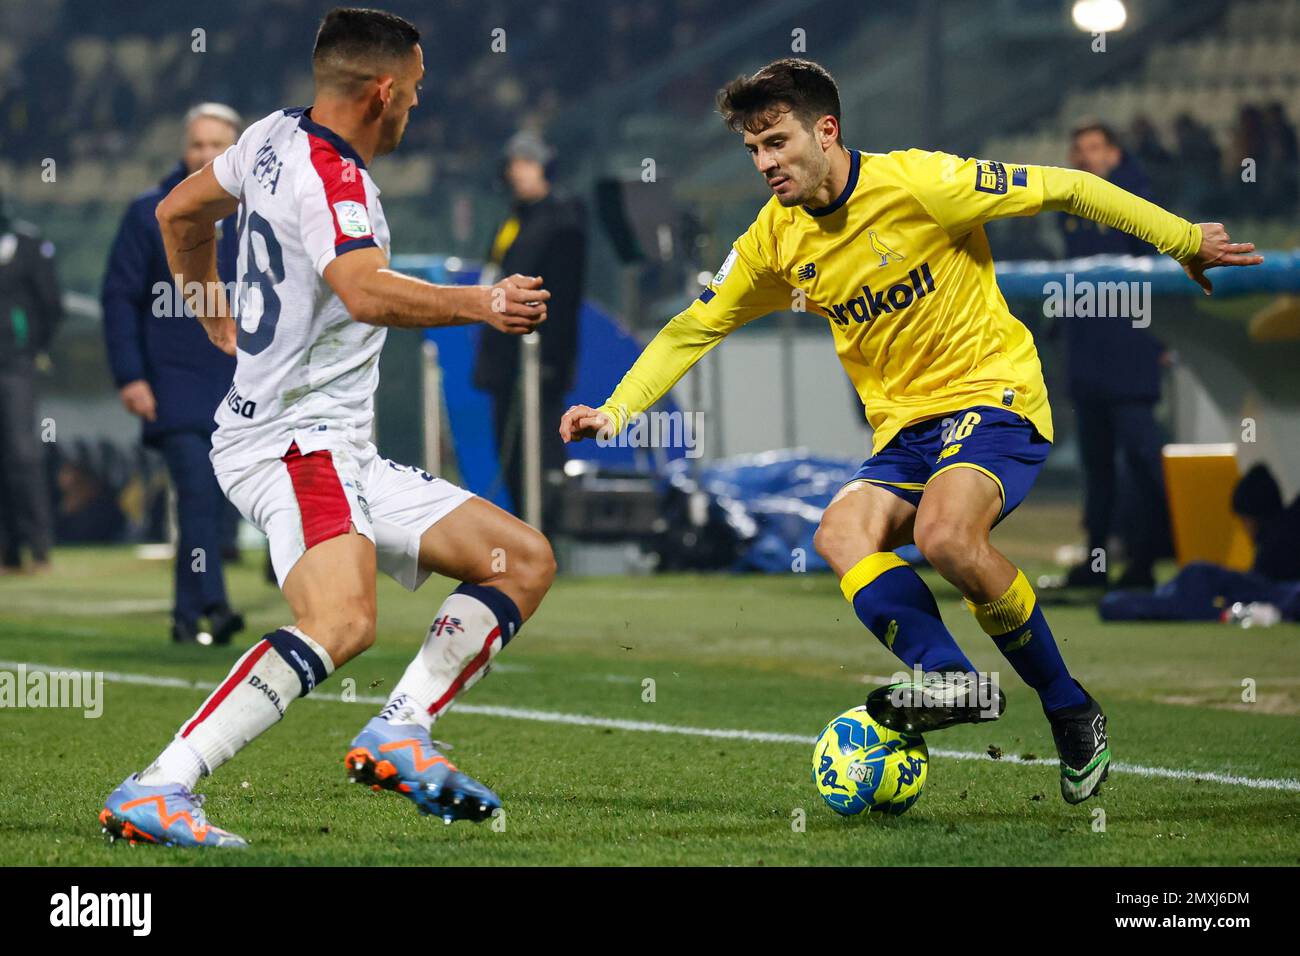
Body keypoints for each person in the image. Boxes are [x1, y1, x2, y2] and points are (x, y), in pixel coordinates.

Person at [561, 58, 1262, 804]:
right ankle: (955, 683)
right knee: (839, 535)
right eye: (753, 150)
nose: (765, 162)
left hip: (993, 397)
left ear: (825, 130)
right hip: (907, 432)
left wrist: (1181, 237)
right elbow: (696, 326)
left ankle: (1069, 707)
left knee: (947, 537)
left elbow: (1069, 186)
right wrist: (617, 410)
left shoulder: (923, 183)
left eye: (776, 141)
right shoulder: (776, 238)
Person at [99, 7, 556, 848]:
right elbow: (365, 290)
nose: (417, 106)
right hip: (292, 443)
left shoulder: (271, 136)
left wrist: (208, 309)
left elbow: (178, 215)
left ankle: (400, 730)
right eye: (415, 91)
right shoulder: (338, 182)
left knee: (519, 559)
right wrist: (483, 302)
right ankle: (161, 785)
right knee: (342, 622)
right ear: (383, 91)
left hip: (335, 446)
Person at [102, 103, 246, 644]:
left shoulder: (256, 212)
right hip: (174, 381)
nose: (206, 154)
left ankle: (187, 619)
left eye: (217, 146)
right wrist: (130, 376)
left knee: (214, 501)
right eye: (197, 145)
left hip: (238, 382)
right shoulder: (150, 212)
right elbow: (119, 298)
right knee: (197, 493)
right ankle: (215, 603)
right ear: (183, 149)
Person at [1057, 121, 1170, 590]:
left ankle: (1146, 560)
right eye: (1079, 149)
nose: (1086, 157)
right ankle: (1097, 562)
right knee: (1098, 465)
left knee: (1143, 461)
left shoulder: (1137, 200)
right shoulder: (1068, 205)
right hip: (1088, 355)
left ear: (1115, 154)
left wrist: (1162, 339)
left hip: (1129, 353)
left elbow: (1161, 269)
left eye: (1095, 148)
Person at [474, 131, 586, 530]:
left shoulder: (563, 220)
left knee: (540, 450)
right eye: (514, 165)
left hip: (539, 357)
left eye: (527, 163)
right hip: (505, 357)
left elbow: (565, 298)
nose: (518, 173)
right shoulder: (514, 218)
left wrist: (553, 359)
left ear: (545, 168)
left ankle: (546, 532)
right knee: (512, 450)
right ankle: (527, 530)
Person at [1100, 464, 1300, 622]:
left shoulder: (1276, 545)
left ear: (1254, 518)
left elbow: (1260, 590)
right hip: (1208, 588)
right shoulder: (1283, 534)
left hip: (1204, 584)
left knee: (1119, 603)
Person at [0, 192, 61, 573]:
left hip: (15, 362)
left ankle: (38, 544)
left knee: (23, 453)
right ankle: (8, 551)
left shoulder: (28, 245)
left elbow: (51, 304)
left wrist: (33, 345)